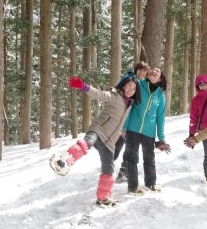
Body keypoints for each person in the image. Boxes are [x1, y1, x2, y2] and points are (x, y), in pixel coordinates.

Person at [49, 72, 141, 207]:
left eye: (133, 89)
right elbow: (99, 94)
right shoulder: (114, 95)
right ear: (123, 85)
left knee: (109, 171)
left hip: (110, 141)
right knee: (86, 143)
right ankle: (65, 159)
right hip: (99, 129)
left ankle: (103, 198)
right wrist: (83, 86)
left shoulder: (131, 104)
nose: (129, 90)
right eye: (128, 86)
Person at [123, 67, 171, 195]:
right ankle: (133, 186)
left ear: (160, 78)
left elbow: (160, 117)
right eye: (152, 69)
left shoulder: (160, 95)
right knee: (132, 157)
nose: (154, 71)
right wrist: (124, 127)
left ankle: (151, 183)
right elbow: (128, 105)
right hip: (132, 128)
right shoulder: (138, 85)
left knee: (149, 158)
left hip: (149, 131)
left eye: (157, 71)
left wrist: (161, 137)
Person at [114, 61, 150, 182]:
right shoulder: (130, 78)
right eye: (140, 70)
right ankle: (110, 162)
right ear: (136, 70)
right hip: (124, 117)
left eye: (144, 71)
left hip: (134, 120)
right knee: (120, 143)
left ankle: (124, 170)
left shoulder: (143, 83)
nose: (142, 73)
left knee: (129, 147)